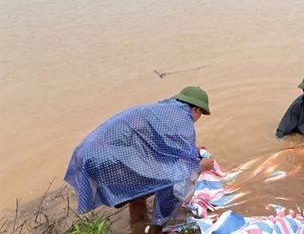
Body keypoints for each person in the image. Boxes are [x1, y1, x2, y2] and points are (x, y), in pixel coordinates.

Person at [64, 86, 214, 233]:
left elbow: (163, 141)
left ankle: (137, 226)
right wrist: (200, 165)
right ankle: (156, 228)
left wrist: (193, 150)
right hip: (110, 159)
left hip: (89, 152)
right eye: (201, 113)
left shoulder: (164, 109)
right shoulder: (184, 118)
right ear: (197, 109)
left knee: (138, 192)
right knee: (171, 186)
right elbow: (184, 169)